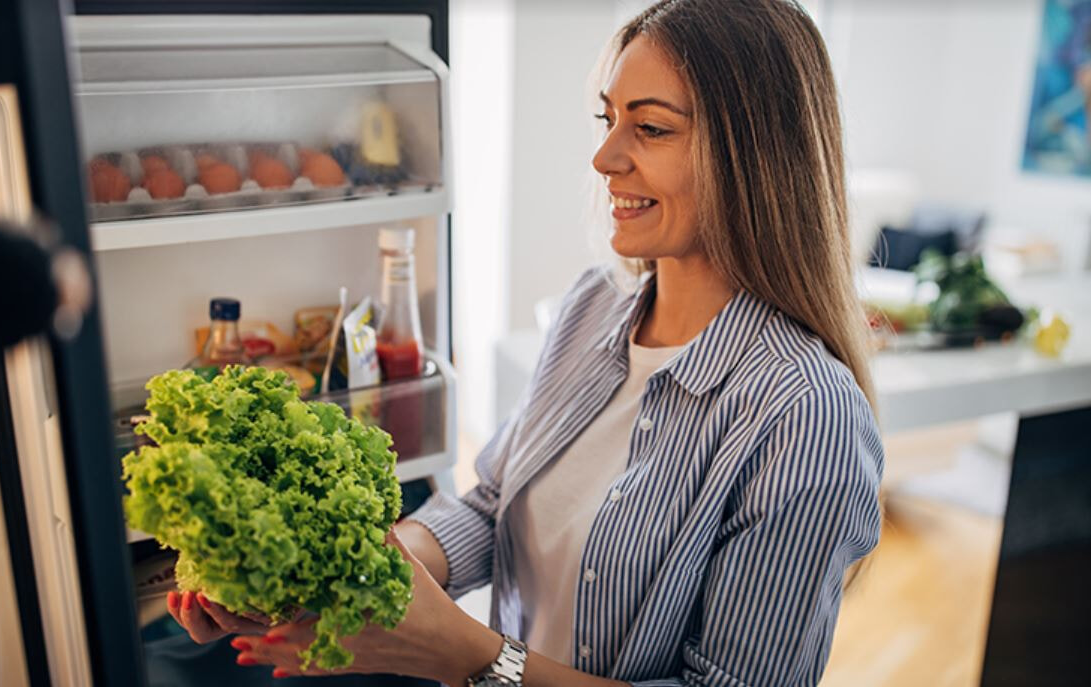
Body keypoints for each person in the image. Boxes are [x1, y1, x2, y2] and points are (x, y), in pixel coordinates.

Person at [170, 0, 884, 684]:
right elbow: (492, 503)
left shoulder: (805, 414)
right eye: (607, 120)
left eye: (651, 129)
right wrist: (361, 572)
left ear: (755, 153)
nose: (605, 157)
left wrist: (468, 656)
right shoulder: (591, 307)